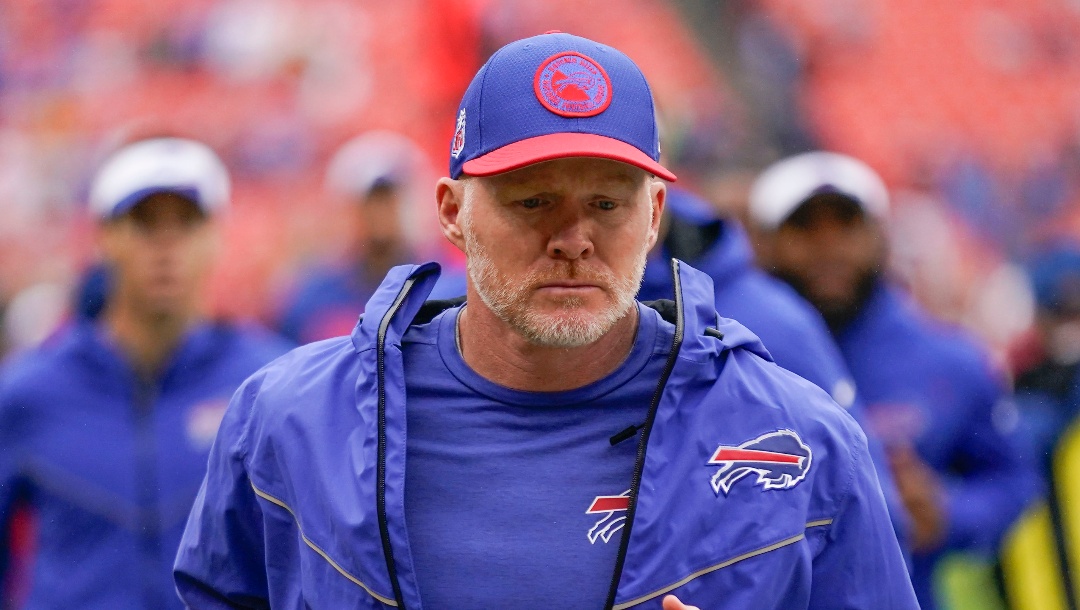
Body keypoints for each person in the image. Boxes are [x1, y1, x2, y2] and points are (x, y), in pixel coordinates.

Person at [174, 33, 917, 609]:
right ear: (451, 214)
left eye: (607, 203)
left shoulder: (802, 438)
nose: (573, 239)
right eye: (532, 201)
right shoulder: (291, 419)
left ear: (654, 217)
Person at [0, 137, 291, 609]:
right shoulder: (29, 391)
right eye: (145, 223)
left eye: (186, 222)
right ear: (103, 237)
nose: (166, 246)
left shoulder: (271, 383)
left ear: (216, 235)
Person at [747, 150, 1041, 610]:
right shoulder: (733, 354)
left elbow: (1015, 477)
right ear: (764, 242)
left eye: (846, 224)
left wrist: (948, 513)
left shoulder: (950, 359)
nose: (829, 246)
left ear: (879, 235)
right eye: (805, 227)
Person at [275, 130, 467, 344]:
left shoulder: (450, 286)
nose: (379, 214)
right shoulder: (312, 295)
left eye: (387, 201)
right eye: (370, 202)